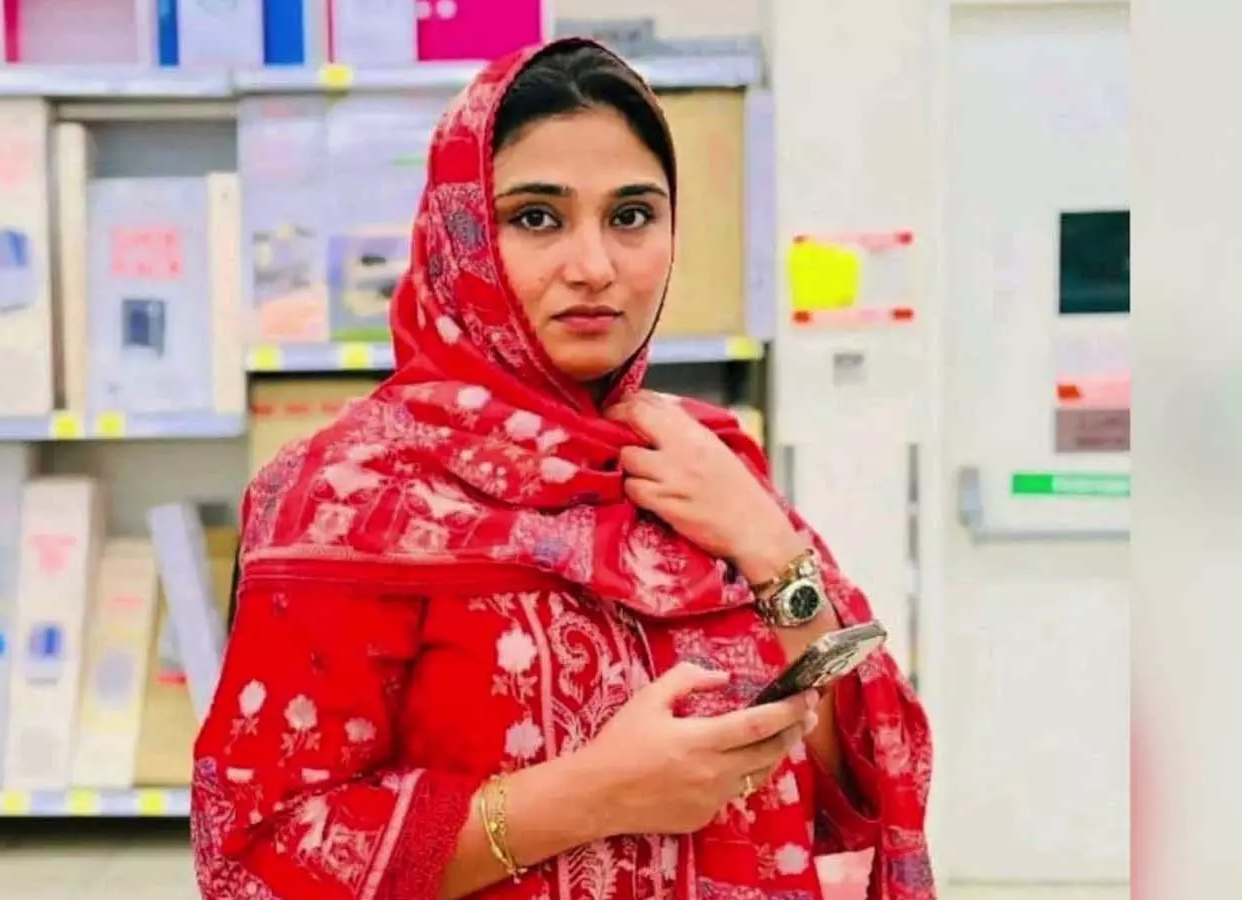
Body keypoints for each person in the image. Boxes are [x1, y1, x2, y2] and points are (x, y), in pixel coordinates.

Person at [192, 37, 934, 900]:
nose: (594, 268)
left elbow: (870, 775)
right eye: (537, 217)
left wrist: (772, 550)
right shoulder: (346, 496)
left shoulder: (703, 461)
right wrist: (591, 797)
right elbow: (258, 853)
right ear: (462, 234)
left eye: (632, 215)